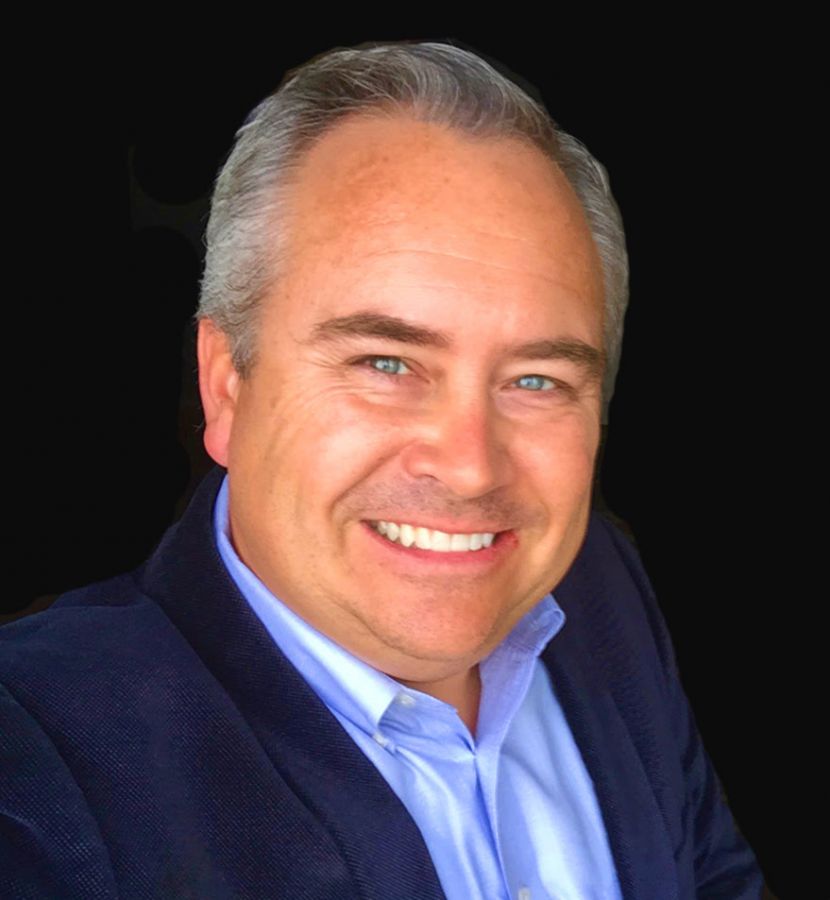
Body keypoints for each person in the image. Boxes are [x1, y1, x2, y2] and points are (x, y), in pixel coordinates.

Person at [1, 41, 765, 899]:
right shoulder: (34, 766)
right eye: (386, 363)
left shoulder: (599, 590)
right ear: (227, 387)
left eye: (536, 380)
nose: (470, 468)